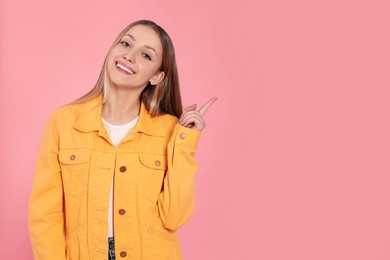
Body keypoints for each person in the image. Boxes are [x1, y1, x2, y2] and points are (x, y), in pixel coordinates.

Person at [28, 19, 216, 260]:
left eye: (146, 55)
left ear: (157, 77)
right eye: (126, 43)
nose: (129, 55)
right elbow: (45, 217)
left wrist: (185, 142)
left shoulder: (170, 129)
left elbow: (174, 217)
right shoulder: (63, 122)